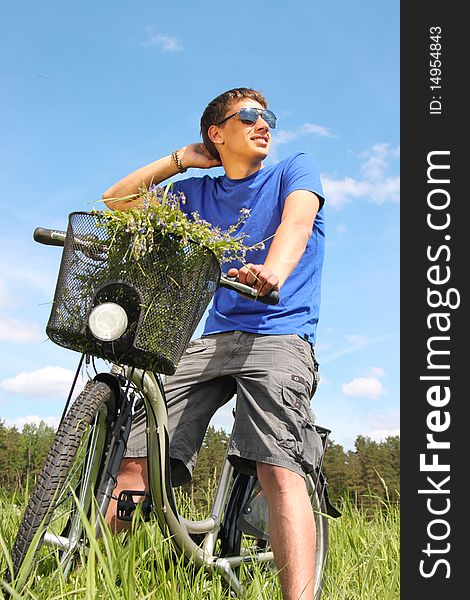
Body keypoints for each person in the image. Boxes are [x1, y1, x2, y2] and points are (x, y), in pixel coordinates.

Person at [102, 87, 326, 600]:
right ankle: (99, 574)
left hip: (280, 333)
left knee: (278, 460)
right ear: (216, 133)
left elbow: (297, 221)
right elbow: (116, 202)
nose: (263, 123)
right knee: (139, 452)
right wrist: (180, 161)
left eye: (267, 115)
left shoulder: (295, 168)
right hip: (215, 338)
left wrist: (272, 272)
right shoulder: (197, 196)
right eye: (248, 116)